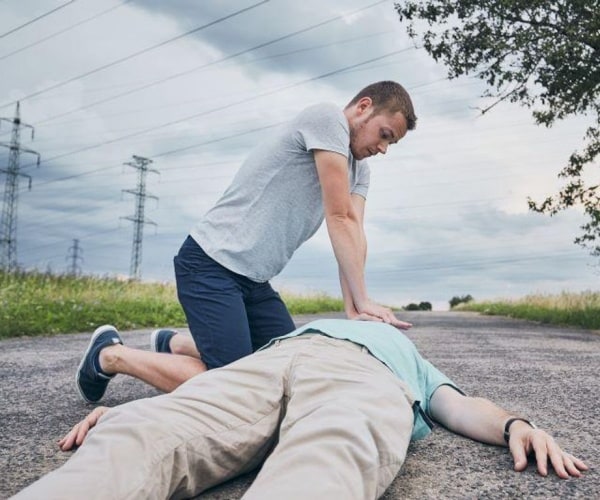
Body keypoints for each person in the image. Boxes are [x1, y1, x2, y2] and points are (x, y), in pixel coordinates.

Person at [76, 81, 418, 404]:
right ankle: (108, 356)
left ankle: (175, 345)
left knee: (286, 367)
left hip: (253, 284)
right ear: (363, 107)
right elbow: (339, 217)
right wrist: (362, 301)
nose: (383, 148)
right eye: (384, 135)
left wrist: (355, 308)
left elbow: (353, 231)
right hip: (210, 265)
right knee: (239, 389)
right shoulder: (328, 120)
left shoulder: (360, 171)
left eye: (393, 144)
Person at [15, 319, 587, 500]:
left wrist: (516, 424)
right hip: (270, 362)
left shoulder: (408, 355)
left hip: (363, 377)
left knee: (331, 452)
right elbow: (211, 382)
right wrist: (155, 407)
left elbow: (461, 407)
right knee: (143, 430)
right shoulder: (305, 324)